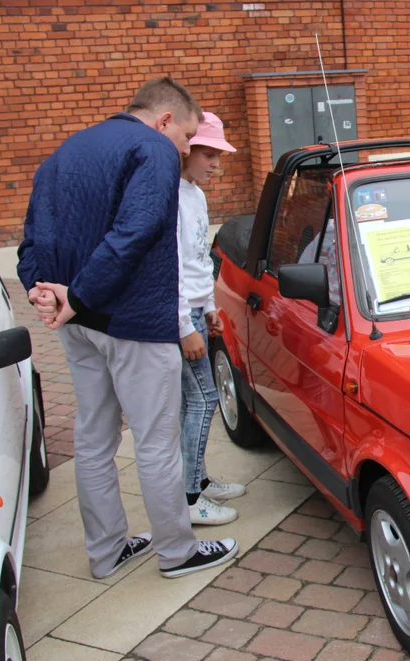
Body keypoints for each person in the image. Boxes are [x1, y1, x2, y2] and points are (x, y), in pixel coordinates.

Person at [18, 77, 238, 580]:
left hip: (79, 324)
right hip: (133, 322)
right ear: (165, 120)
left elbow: (35, 232)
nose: (184, 148)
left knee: (93, 440)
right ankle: (177, 553)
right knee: (156, 442)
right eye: (185, 137)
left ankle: (107, 550)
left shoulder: (66, 150)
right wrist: (76, 296)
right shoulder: (154, 148)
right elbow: (136, 231)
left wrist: (41, 289)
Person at [175, 112, 245, 525]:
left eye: (219, 154)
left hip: (196, 312)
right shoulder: (169, 199)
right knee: (202, 400)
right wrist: (185, 324)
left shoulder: (195, 195)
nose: (216, 163)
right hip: (180, 318)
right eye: (208, 153)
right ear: (185, 149)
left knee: (195, 400)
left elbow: (198, 261)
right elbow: (169, 268)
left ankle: (198, 481)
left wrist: (209, 308)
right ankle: (188, 496)